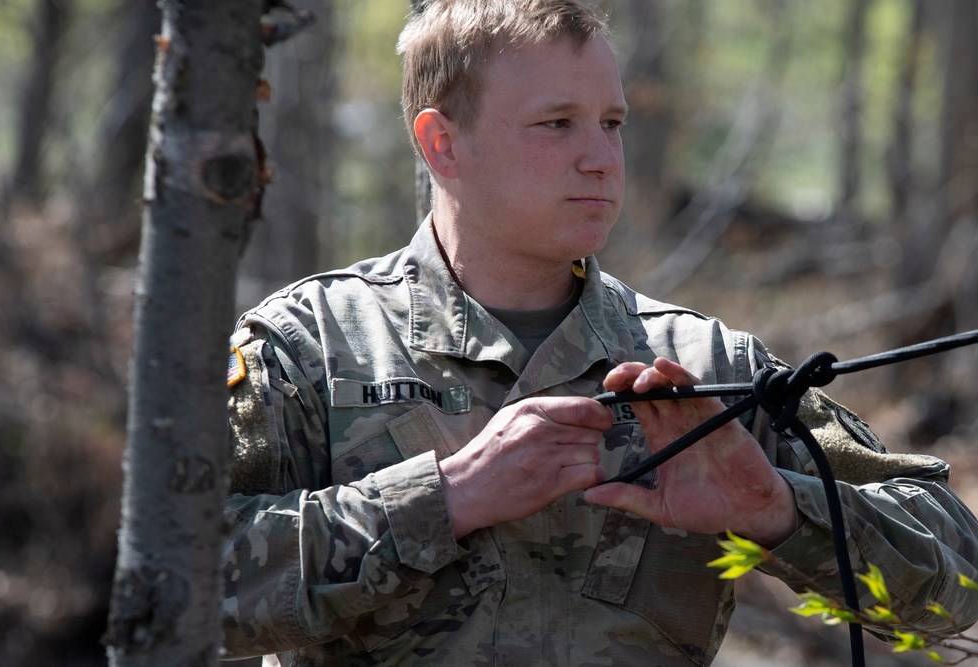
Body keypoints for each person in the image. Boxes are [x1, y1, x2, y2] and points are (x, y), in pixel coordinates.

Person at [220, 1, 978, 664]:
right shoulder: (307, 348)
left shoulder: (702, 366)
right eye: (557, 124)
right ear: (442, 144)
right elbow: (179, 587)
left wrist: (777, 508)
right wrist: (442, 497)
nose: (600, 158)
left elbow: (958, 582)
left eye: (611, 123)